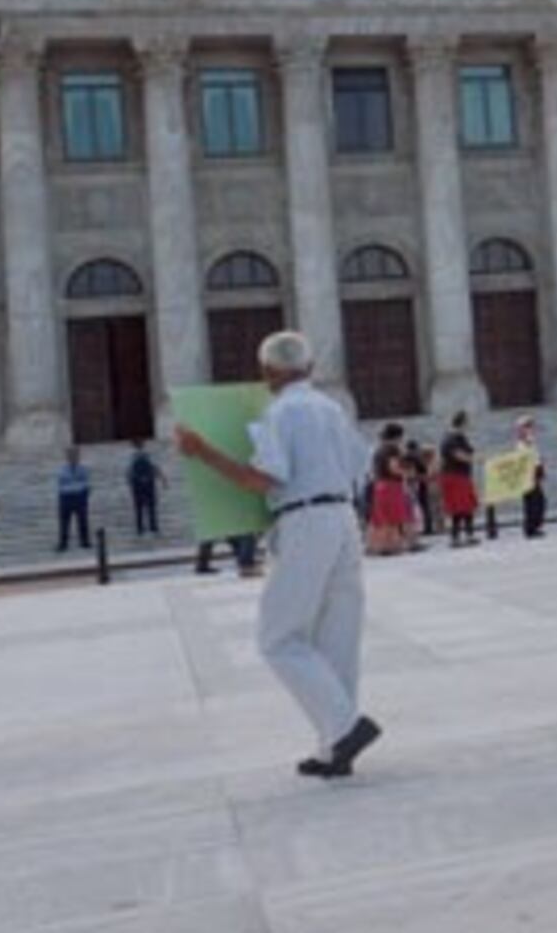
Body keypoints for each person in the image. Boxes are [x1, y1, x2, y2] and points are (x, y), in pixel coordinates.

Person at [176, 331, 381, 780]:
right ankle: (333, 748)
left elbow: (263, 479)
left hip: (305, 520)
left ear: (268, 371)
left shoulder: (280, 412)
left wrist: (204, 452)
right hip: (344, 516)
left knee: (279, 637)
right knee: (337, 635)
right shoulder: (331, 407)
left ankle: (344, 727)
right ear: (309, 368)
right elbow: (358, 465)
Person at [366, 424, 412, 558]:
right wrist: (407, 473)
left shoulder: (379, 449)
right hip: (391, 485)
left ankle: (374, 546)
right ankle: (391, 546)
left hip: (379, 485)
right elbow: (393, 467)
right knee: (393, 517)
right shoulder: (392, 448)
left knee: (379, 517)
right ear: (398, 436)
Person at [439, 414, 479, 548]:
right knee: (458, 507)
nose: (469, 426)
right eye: (467, 423)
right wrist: (475, 460)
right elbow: (458, 455)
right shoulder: (451, 438)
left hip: (461, 475)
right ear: (462, 423)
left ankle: (468, 534)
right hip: (455, 476)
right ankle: (455, 537)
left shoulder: (460, 437)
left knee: (467, 507)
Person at [514, 416, 549, 540]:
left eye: (531, 426)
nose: (531, 429)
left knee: (539, 501)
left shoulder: (530, 441)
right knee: (533, 502)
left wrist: (541, 470)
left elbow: (537, 458)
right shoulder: (522, 443)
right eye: (528, 426)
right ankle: (530, 528)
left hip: (535, 473)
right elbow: (525, 459)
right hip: (529, 475)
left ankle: (534, 527)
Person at [55, 447, 93, 553]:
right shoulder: (62, 469)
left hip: (79, 497)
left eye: (75, 455)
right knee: (64, 522)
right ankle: (63, 543)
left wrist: (83, 492)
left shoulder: (83, 468)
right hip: (66, 497)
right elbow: (62, 481)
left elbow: (86, 482)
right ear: (67, 457)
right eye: (71, 456)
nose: (73, 458)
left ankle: (85, 541)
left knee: (83, 520)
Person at [127, 441, 166, 537]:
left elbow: (129, 471)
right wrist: (162, 479)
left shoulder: (136, 456)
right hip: (146, 482)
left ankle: (142, 527)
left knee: (142, 506)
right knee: (147, 506)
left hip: (140, 483)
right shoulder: (140, 456)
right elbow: (155, 467)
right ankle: (150, 527)